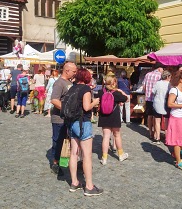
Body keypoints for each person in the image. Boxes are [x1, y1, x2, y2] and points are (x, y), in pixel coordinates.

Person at [67, 68, 102, 196]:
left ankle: (74, 182)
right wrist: (95, 102)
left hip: (71, 123)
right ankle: (89, 186)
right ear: (86, 77)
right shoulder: (85, 89)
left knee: (73, 154)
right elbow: (87, 107)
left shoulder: (73, 87)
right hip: (83, 123)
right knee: (87, 155)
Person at [50, 62, 77, 176]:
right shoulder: (59, 83)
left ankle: (68, 161)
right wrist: (67, 109)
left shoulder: (69, 82)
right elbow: (54, 100)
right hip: (59, 118)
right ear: (67, 71)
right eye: (74, 71)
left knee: (69, 141)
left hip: (68, 118)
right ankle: (55, 163)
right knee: (58, 141)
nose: (75, 73)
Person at [98, 75, 128, 165]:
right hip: (114, 116)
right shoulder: (116, 93)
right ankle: (121, 154)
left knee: (106, 136)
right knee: (117, 135)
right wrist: (121, 91)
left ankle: (104, 158)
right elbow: (126, 98)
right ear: (114, 83)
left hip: (104, 116)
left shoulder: (101, 92)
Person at [142, 62, 164, 139]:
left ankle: (150, 132)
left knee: (149, 115)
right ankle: (155, 133)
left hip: (148, 98)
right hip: (156, 99)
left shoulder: (147, 74)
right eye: (162, 69)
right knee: (156, 117)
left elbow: (144, 86)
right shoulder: (160, 76)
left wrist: (147, 93)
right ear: (159, 68)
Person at [152, 70, 172, 143]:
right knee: (166, 121)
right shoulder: (170, 84)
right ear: (167, 77)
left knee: (157, 121)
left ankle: (157, 137)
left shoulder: (158, 83)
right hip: (166, 103)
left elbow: (153, 91)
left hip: (157, 103)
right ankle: (167, 138)